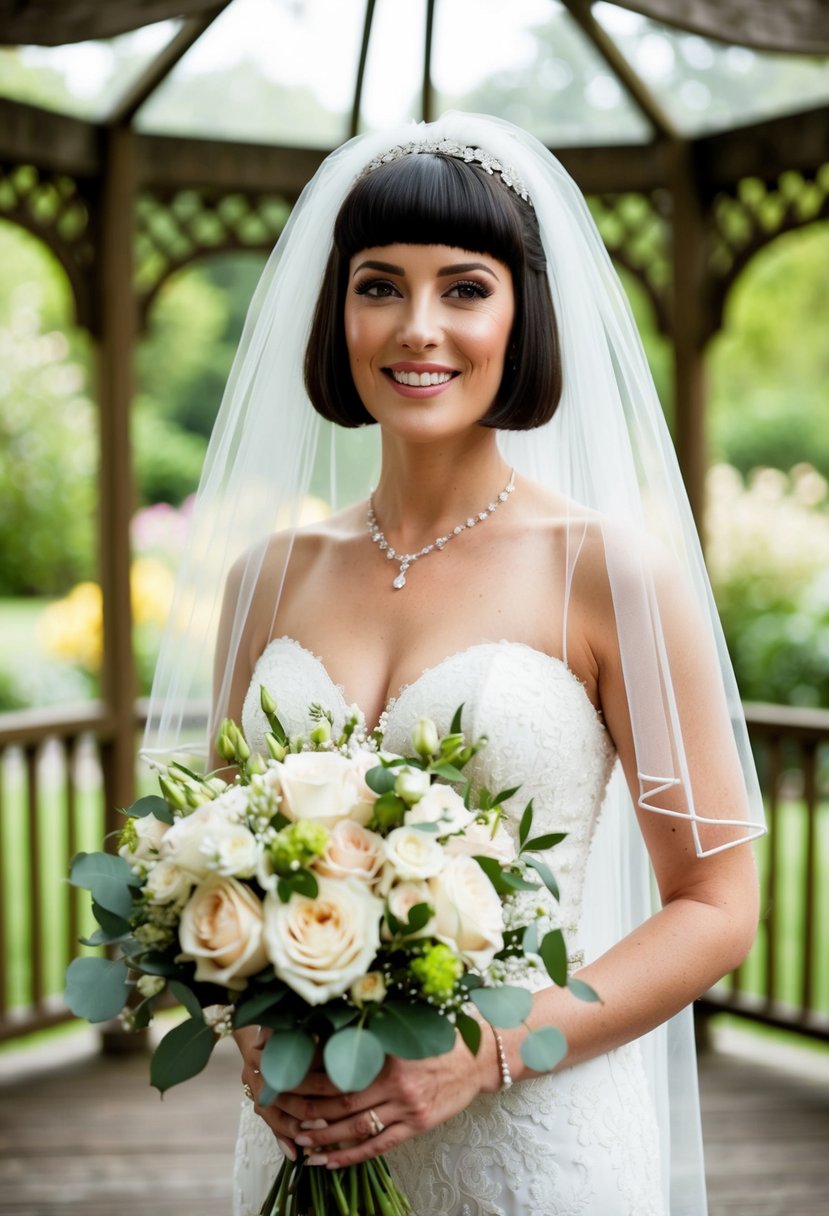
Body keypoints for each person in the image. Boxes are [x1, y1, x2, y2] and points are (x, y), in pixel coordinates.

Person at [144, 112, 766, 1216]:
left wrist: (483, 1049)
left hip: (531, 1138)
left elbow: (715, 903)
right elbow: (223, 853)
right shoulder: (268, 575)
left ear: (522, 313)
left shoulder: (610, 572)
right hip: (305, 1137)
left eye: (464, 288)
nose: (416, 327)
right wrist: (255, 1016)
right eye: (378, 285)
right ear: (336, 308)